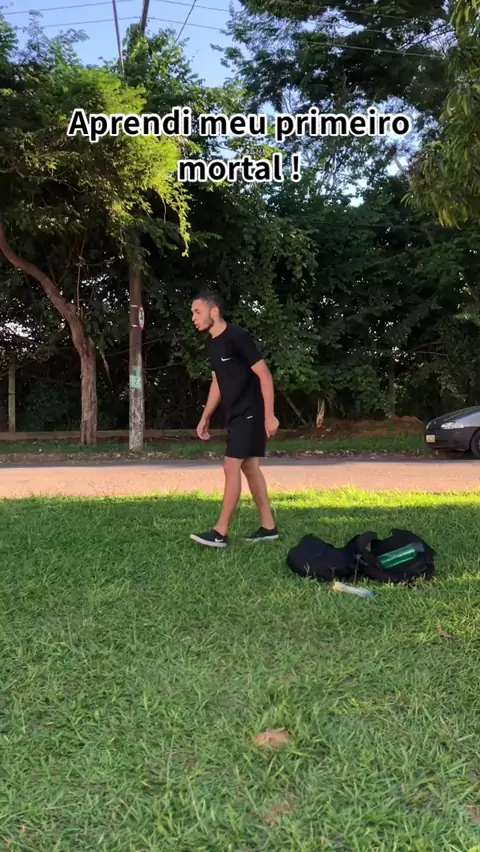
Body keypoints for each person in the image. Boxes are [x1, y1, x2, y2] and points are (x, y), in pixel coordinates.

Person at [190, 290, 280, 548]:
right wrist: (205, 416)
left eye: (197, 311)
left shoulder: (237, 337)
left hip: (250, 411)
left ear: (214, 311)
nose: (193, 317)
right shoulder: (212, 344)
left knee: (231, 466)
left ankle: (220, 532)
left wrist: (270, 415)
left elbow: (264, 375)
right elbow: (217, 383)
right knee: (250, 467)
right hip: (235, 413)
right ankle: (269, 527)